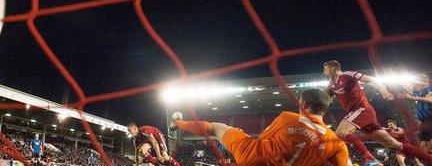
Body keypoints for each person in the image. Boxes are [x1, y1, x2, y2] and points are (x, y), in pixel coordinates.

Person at [170, 88, 350, 165]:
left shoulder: (288, 117)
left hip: (253, 156)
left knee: (216, 127)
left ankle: (177, 122)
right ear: (325, 109)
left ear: (302, 103)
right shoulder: (337, 144)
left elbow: (264, 138)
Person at [323, 60, 432, 166]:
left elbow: (371, 80)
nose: (324, 71)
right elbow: (324, 100)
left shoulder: (347, 75)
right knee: (393, 144)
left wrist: (383, 91)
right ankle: (427, 158)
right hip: (358, 114)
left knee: (340, 132)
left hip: (362, 109)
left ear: (332, 68)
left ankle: (369, 159)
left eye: (326, 69)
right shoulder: (331, 84)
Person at [400, 73, 432, 153]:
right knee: (424, 145)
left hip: (430, 119)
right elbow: (406, 88)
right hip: (424, 121)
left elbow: (430, 99)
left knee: (428, 145)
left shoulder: (429, 88)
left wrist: (412, 97)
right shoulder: (418, 92)